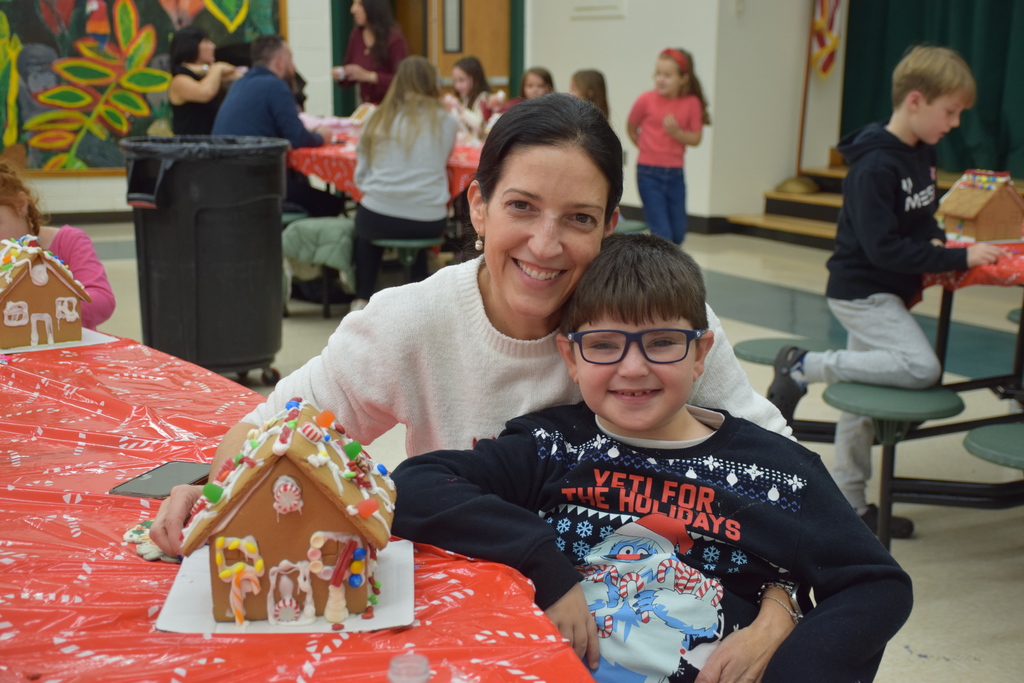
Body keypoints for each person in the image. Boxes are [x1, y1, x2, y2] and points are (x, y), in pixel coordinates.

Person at [152, 97, 799, 673]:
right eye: (521, 206)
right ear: (478, 205)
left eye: (578, 218)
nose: (545, 245)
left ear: (609, 227)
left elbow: (786, 475)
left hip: (643, 631)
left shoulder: (657, 330)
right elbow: (283, 425)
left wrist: (781, 607)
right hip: (474, 632)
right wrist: (219, 490)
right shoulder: (413, 321)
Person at [391, 234, 913, 682]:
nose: (633, 368)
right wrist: (542, 563)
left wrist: (787, 665)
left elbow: (876, 584)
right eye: (603, 345)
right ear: (570, 357)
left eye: (662, 343)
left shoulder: (777, 474)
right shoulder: (553, 445)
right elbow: (416, 484)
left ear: (702, 353)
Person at [767, 46, 1007, 539]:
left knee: (860, 403)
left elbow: (917, 218)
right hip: (862, 292)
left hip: (887, 292)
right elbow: (883, 250)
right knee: (922, 368)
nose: (956, 123)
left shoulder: (921, 149)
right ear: (916, 101)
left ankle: (851, 507)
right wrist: (958, 258)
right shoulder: (874, 166)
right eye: (951, 111)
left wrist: (942, 240)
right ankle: (803, 365)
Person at [350, 56, 459, 311]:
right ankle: (418, 306)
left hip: (378, 217)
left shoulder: (376, 118)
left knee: (366, 231)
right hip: (428, 219)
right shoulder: (447, 122)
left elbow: (360, 176)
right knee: (413, 227)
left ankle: (361, 299)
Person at [213, 35, 343, 217]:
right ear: (280, 62)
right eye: (291, 59)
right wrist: (322, 136)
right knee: (331, 203)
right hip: (259, 186)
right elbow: (299, 138)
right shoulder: (275, 86)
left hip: (227, 184)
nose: (294, 67)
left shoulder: (239, 84)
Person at [0, 162, 114, 329]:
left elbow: (103, 300)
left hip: (71, 350)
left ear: (20, 205)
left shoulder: (68, 241)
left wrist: (41, 305)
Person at [627, 48, 710, 245]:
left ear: (683, 78)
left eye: (667, 75)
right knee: (662, 232)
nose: (660, 79)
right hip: (648, 174)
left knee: (678, 233)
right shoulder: (645, 100)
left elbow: (696, 138)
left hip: (675, 175)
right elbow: (631, 128)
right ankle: (663, 274)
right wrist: (647, 148)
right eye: (657, 73)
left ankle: (666, 267)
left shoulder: (692, 103)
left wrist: (677, 133)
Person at [333, 0, 409, 105]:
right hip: (366, 108)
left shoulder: (395, 39)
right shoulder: (356, 35)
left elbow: (402, 80)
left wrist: (368, 76)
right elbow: (349, 76)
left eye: (359, 5)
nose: (353, 10)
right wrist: (342, 74)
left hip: (391, 108)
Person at [167, 26, 240, 135]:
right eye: (206, 42)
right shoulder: (179, 80)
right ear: (191, 46)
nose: (213, 46)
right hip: (190, 148)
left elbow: (240, 76)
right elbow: (206, 92)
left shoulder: (210, 75)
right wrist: (217, 68)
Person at [444, 56, 492, 139]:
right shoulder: (464, 99)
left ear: (475, 79)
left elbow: (482, 126)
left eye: (461, 80)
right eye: (455, 81)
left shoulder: (484, 98)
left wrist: (460, 108)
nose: (457, 86)